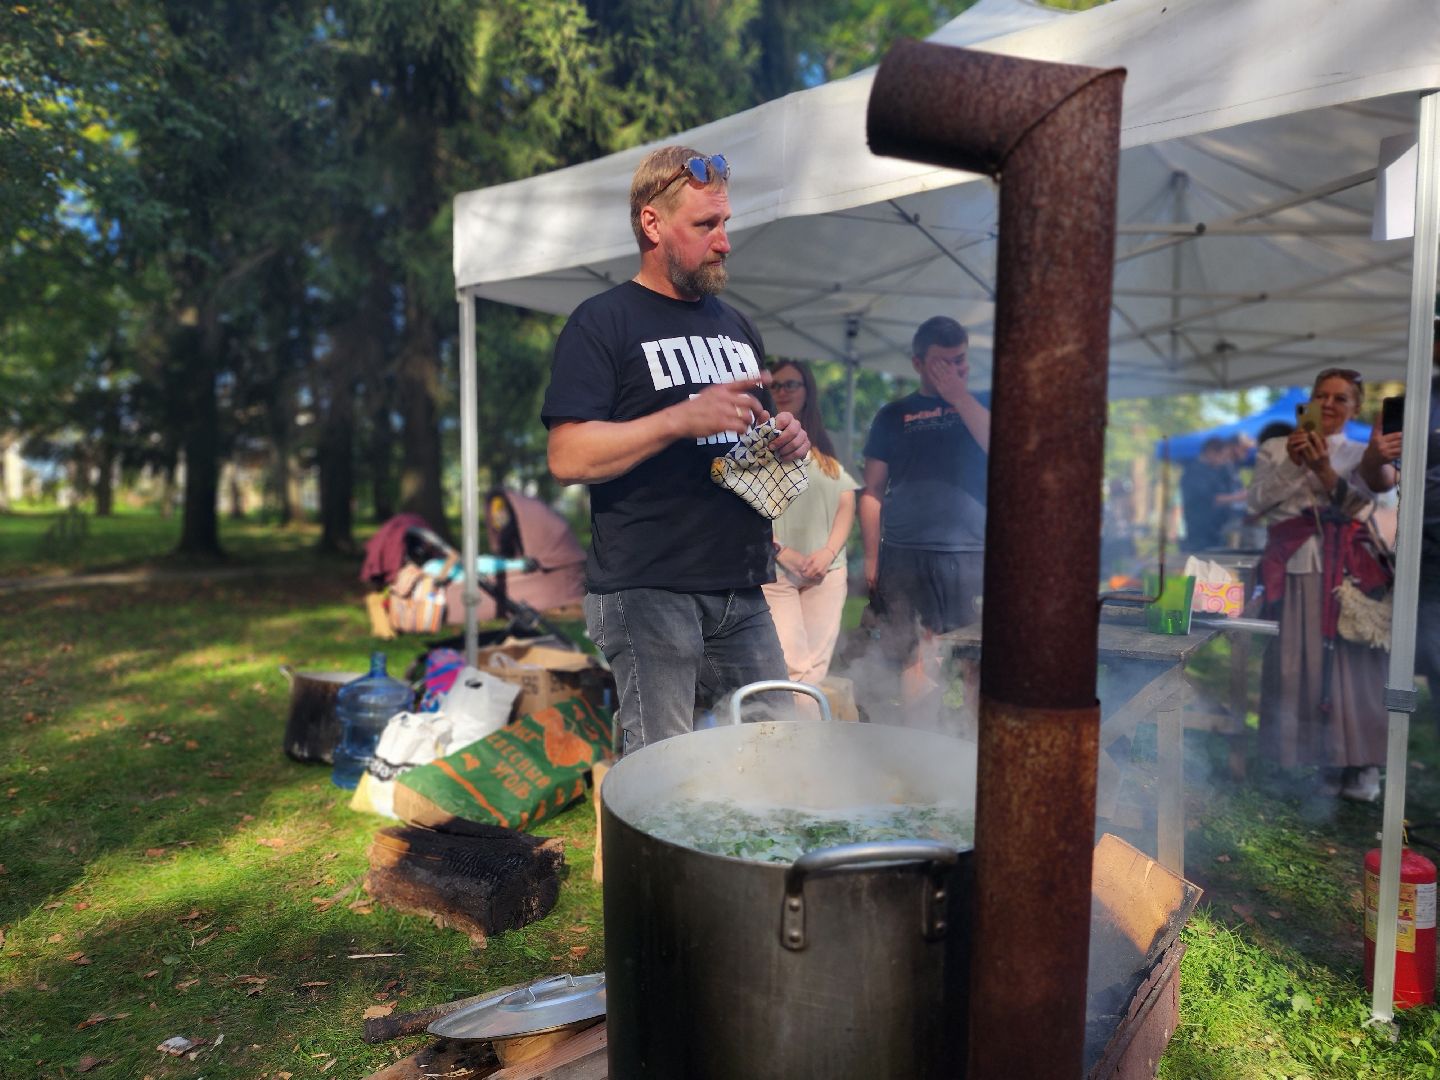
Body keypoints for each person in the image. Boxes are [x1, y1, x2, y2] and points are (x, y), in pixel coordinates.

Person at [541, 146, 810, 755]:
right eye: (705, 225)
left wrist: (784, 444)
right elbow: (567, 456)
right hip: (647, 589)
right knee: (664, 774)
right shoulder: (602, 322)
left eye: (726, 224)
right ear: (653, 224)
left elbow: (742, 446)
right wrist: (678, 419)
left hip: (742, 587)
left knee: (780, 755)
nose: (724, 242)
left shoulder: (738, 326)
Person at [1248, 368, 1398, 801]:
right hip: (1295, 567)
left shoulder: (1362, 454)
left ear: (1355, 408)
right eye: (1321, 396)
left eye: (1340, 398)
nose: (1329, 404)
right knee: (1300, 665)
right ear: (1308, 402)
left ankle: (1363, 765)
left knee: (1357, 670)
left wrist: (1325, 471)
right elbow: (1257, 502)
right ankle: (1312, 759)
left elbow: (1368, 512)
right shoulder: (1277, 449)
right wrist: (1296, 467)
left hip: (1351, 575)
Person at [859, 316, 990, 714]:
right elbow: (872, 492)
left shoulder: (982, 402)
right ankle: (922, 746)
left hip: (972, 554)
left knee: (978, 657)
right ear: (918, 363)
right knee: (920, 652)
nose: (953, 370)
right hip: (906, 553)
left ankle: (975, 755)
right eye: (942, 363)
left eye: (960, 360)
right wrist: (871, 557)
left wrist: (960, 396)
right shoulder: (893, 415)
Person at [762, 361, 857, 708]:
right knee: (792, 670)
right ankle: (803, 752)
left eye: (792, 384)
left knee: (814, 671)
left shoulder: (826, 445)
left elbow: (847, 501)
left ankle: (808, 749)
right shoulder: (755, 441)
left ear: (807, 390)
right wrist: (781, 552)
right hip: (774, 569)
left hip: (826, 570)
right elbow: (743, 502)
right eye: (777, 385)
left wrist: (829, 552)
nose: (784, 391)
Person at [1181, 436, 1247, 551]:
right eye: (1222, 456)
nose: (1224, 461)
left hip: (1216, 531)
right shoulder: (1194, 472)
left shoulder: (1217, 471)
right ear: (1211, 452)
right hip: (1199, 533)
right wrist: (1237, 497)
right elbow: (1210, 498)